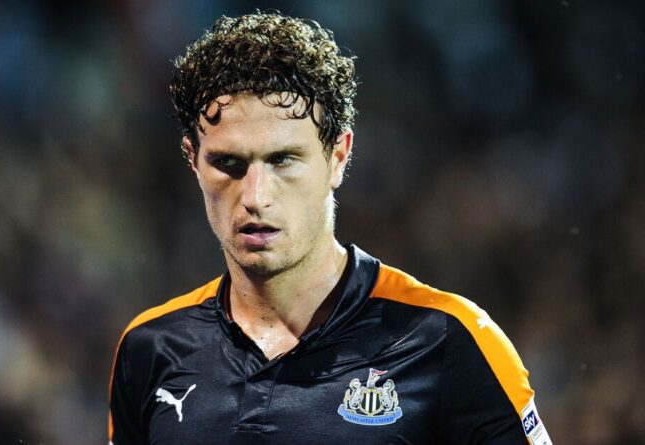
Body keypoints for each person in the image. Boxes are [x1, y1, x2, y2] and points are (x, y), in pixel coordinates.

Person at [108, 11, 551, 445]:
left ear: (339, 156)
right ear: (192, 160)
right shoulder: (149, 350)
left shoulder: (448, 340)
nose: (256, 196)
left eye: (283, 160)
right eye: (228, 163)